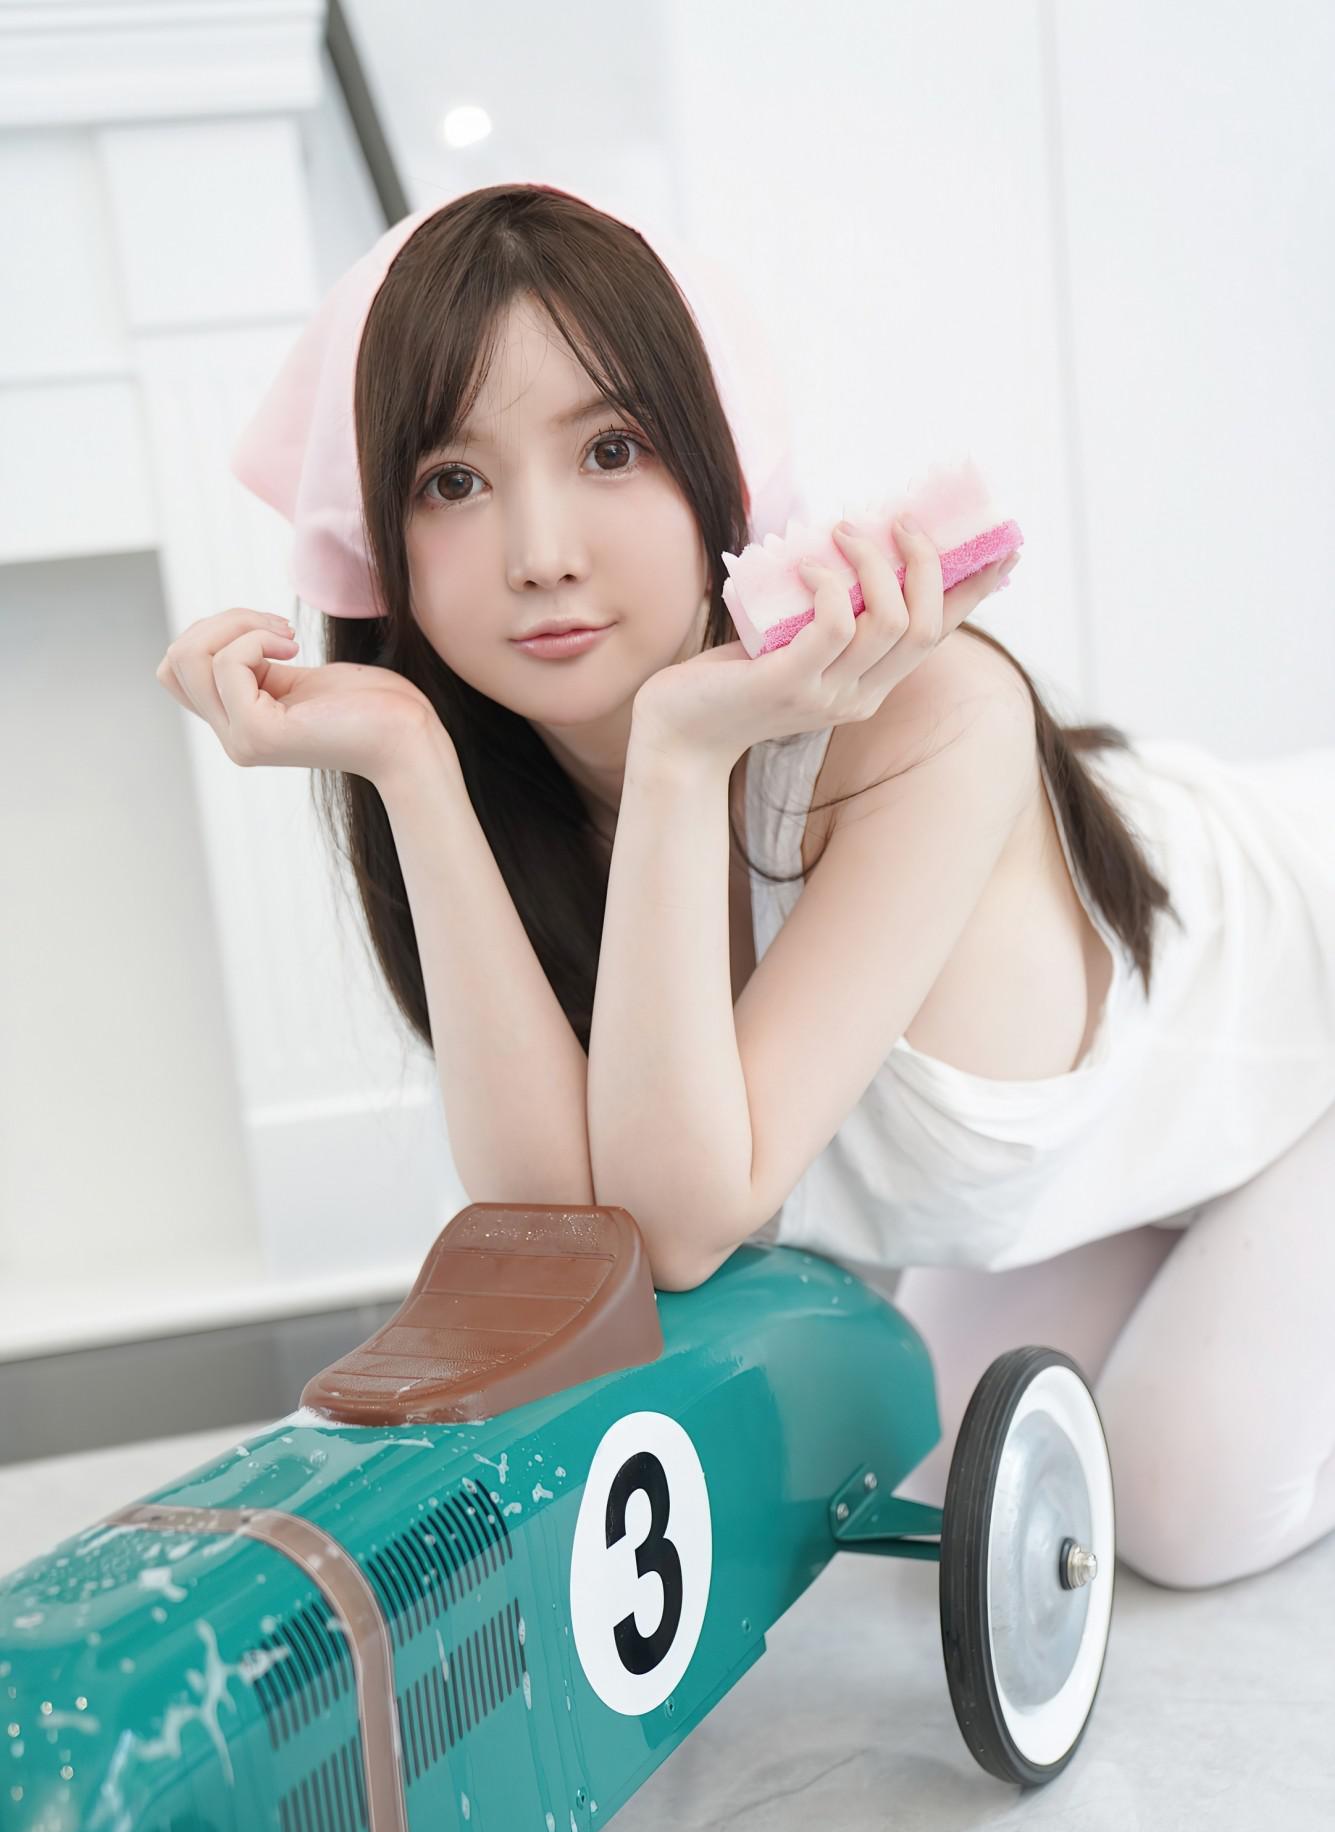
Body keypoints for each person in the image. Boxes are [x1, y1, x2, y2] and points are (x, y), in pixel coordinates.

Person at [157, 182, 1335, 1593]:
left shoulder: (927, 716)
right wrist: (410, 764)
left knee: (1180, 1507)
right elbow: (581, 1234)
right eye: (452, 481)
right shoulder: (512, 794)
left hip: (1306, 1025)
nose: (541, 554)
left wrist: (675, 754)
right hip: (1132, 1157)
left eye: (610, 448)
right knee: (941, 1478)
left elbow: (680, 1219)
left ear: (718, 464)